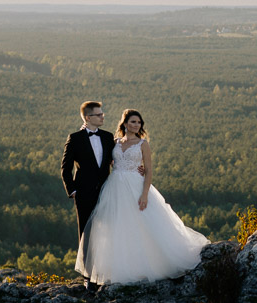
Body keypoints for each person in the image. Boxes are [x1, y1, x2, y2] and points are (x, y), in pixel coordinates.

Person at [75, 109, 209, 286]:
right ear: (124, 123)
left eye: (139, 123)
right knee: (117, 227)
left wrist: (144, 194)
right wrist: (84, 128)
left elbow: (148, 170)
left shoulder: (143, 144)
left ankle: (152, 264)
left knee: (144, 223)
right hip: (114, 187)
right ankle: (118, 268)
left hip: (136, 186)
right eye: (133, 122)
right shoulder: (114, 142)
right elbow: (99, 155)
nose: (136, 125)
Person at [61, 101, 113, 291]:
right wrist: (73, 190)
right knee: (86, 233)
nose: (103, 116)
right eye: (99, 114)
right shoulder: (75, 138)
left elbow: (117, 160)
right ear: (88, 117)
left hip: (107, 192)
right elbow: (65, 168)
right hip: (83, 193)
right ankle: (88, 276)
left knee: (107, 231)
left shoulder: (108, 137)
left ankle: (106, 272)